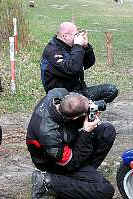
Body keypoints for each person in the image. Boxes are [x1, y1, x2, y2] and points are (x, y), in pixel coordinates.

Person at [26, 88, 116, 199]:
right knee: (105, 190)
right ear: (75, 117)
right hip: (52, 162)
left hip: (66, 143)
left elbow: (75, 105)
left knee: (107, 130)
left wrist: (87, 109)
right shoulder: (49, 134)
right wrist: (86, 131)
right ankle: (47, 182)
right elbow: (70, 163)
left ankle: (83, 176)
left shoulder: (58, 93)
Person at [40, 21, 118, 103]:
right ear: (64, 36)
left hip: (79, 91)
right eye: (76, 35)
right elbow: (73, 69)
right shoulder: (52, 51)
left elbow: (88, 63)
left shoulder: (69, 45)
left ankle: (87, 109)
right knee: (77, 105)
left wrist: (86, 47)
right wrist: (77, 46)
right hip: (62, 97)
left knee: (111, 90)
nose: (77, 38)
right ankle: (81, 110)